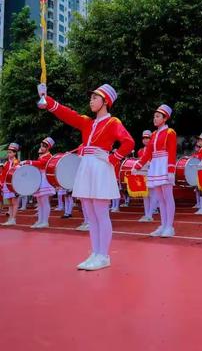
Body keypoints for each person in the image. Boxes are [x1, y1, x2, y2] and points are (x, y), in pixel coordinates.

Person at [38, 83, 135, 270]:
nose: (91, 101)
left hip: (100, 166)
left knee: (100, 212)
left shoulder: (113, 122)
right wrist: (47, 100)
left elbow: (129, 142)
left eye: (95, 98)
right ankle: (95, 252)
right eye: (91, 98)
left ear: (105, 101)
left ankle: (103, 255)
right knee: (90, 214)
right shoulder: (87, 122)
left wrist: (113, 158)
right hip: (87, 166)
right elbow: (68, 114)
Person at [134, 105, 177, 238]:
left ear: (164, 119)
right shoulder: (154, 134)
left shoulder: (170, 132)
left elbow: (172, 151)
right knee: (160, 198)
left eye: (158, 116)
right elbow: (148, 153)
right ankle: (163, 224)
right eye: (154, 116)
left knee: (167, 197)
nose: (155, 119)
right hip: (155, 165)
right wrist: (138, 165)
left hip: (164, 164)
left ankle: (169, 226)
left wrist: (171, 170)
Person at [23, 137, 56, 228]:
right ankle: (40, 221)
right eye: (42, 145)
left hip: (45, 179)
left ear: (48, 148)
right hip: (39, 178)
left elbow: (41, 164)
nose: (42, 147)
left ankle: (45, 221)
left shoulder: (49, 156)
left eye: (44, 146)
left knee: (44, 201)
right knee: (39, 202)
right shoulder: (42, 156)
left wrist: (28, 162)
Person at [0, 143, 20, 226]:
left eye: (10, 152)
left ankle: (13, 219)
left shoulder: (16, 162)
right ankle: (10, 218)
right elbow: (3, 174)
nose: (9, 154)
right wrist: (1, 183)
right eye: (8, 152)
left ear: (15, 153)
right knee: (9, 203)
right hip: (6, 184)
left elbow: (17, 174)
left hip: (13, 184)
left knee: (14, 202)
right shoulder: (7, 163)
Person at [137, 130, 154, 222]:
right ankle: (146, 213)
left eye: (147, 138)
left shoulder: (153, 149)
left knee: (152, 194)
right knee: (145, 195)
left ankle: (150, 214)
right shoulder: (140, 151)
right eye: (144, 138)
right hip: (143, 173)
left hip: (152, 173)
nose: (145, 140)